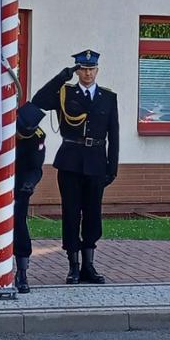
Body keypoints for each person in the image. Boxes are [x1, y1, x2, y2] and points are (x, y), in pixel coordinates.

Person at [31, 50, 120, 284]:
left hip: (97, 162)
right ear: (77, 71)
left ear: (97, 70)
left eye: (91, 69)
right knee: (71, 213)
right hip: (70, 161)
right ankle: (73, 266)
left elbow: (115, 135)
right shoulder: (64, 93)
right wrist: (61, 77)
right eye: (82, 69)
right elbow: (39, 100)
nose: (87, 73)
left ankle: (89, 266)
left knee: (92, 214)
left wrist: (113, 167)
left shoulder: (108, 98)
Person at [0, 94, 49, 293]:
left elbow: (36, 167)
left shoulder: (37, 136)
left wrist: (29, 184)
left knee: (18, 223)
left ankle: (22, 270)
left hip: (20, 183)